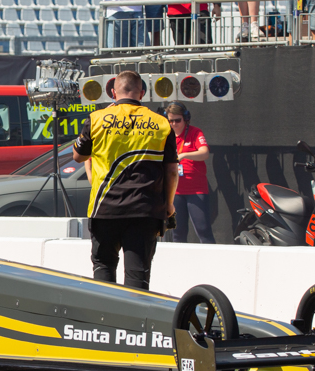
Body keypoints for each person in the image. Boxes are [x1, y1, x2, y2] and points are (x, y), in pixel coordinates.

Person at [71, 71, 178, 290]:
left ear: (113, 93)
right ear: (142, 93)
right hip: (145, 210)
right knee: (138, 277)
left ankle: (104, 312)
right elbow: (172, 172)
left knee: (103, 268)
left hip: (105, 208)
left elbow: (78, 156)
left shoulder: (97, 119)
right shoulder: (162, 123)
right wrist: (169, 204)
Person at [166, 102, 215, 243]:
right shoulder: (166, 135)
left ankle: (211, 256)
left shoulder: (195, 132)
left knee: (203, 230)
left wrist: (184, 155)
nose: (174, 124)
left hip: (196, 190)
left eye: (177, 120)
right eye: (170, 121)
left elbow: (205, 153)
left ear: (186, 118)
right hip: (175, 192)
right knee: (177, 233)